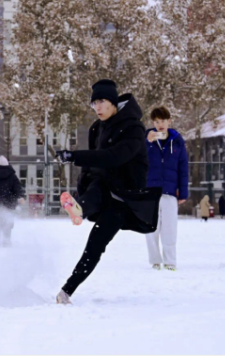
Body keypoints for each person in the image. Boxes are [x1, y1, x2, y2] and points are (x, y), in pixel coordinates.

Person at [54, 80, 161, 305]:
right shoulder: (97, 128)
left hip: (124, 197)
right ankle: (80, 208)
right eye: (94, 103)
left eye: (102, 102)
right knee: (97, 186)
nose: (98, 108)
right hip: (102, 187)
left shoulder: (134, 128)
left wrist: (73, 156)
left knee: (96, 243)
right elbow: (93, 165)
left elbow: (113, 156)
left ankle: (66, 291)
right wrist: (82, 185)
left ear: (113, 102)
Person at [144, 107, 189, 272]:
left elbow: (183, 167)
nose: (159, 124)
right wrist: (147, 143)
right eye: (156, 121)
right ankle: (155, 260)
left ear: (169, 121)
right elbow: (138, 160)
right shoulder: (146, 140)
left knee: (170, 228)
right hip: (150, 191)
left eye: (162, 121)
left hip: (170, 191)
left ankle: (170, 261)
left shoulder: (177, 140)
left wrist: (183, 192)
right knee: (151, 228)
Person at [0, 156, 26, 247]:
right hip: (9, 204)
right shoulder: (12, 176)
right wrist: (20, 196)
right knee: (7, 223)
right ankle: (6, 240)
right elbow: (17, 188)